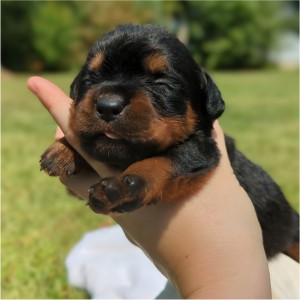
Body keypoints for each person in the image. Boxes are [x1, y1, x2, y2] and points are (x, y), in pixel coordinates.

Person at [28, 76, 271, 299]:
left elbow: (191, 156)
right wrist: (74, 149)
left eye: (161, 85)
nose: (110, 98)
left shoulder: (193, 139)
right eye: (94, 79)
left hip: (276, 235)